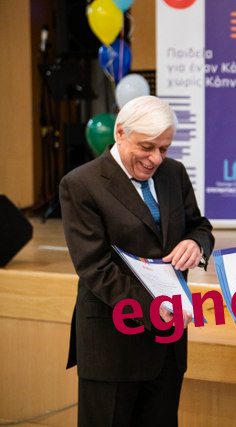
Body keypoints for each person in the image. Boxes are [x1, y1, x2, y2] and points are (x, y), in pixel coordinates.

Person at [59, 95, 214, 427]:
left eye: (164, 149)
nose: (155, 158)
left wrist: (195, 244)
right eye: (147, 147)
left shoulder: (174, 173)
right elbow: (95, 267)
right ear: (120, 133)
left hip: (167, 346)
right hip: (113, 343)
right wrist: (152, 308)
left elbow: (199, 226)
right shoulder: (81, 184)